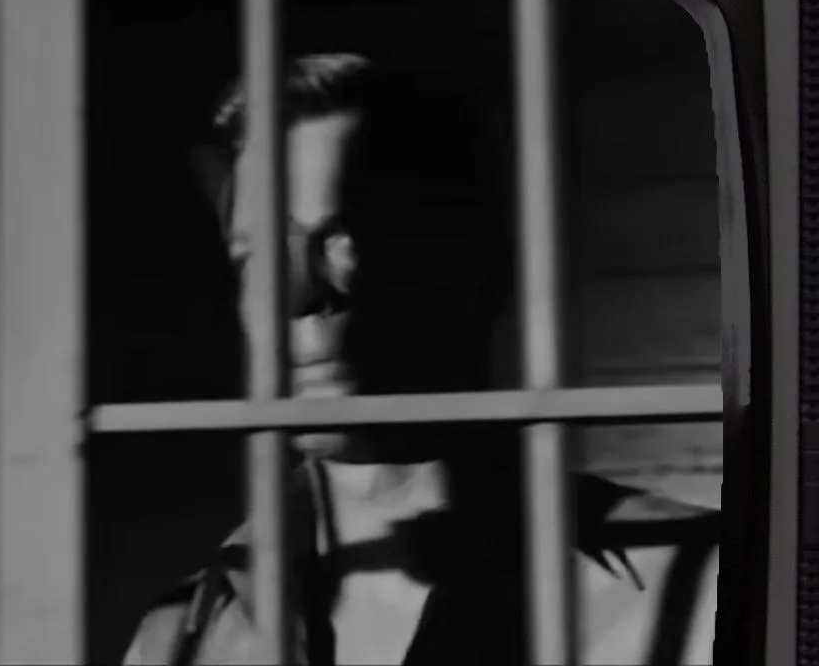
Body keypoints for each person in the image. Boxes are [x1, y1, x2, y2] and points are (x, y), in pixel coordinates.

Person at [123, 53, 720, 666]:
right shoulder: (177, 640)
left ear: (488, 262)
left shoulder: (698, 584)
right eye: (257, 257)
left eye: (351, 237)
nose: (299, 294)